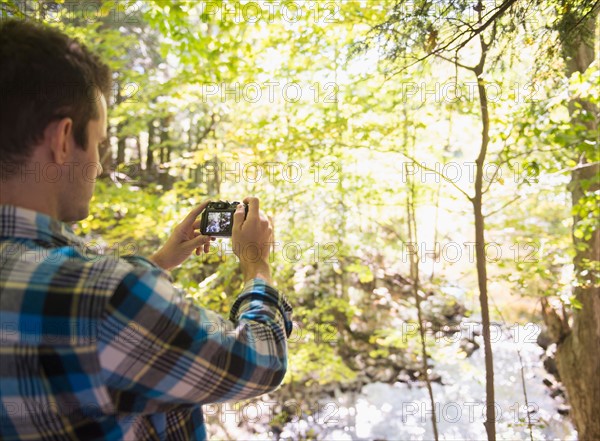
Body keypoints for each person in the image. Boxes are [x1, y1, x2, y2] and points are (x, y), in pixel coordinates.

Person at [0, 19, 292, 440]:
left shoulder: (77, 290)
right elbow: (260, 363)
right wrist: (256, 264)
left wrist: (158, 262)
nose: (99, 165)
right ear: (63, 139)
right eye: (98, 143)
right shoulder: (106, 299)